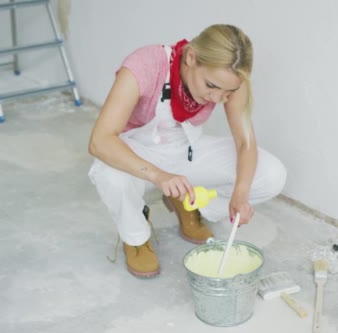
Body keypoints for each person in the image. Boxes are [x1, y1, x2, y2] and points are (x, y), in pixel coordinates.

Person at [88, 24, 286, 278]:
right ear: (191, 57)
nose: (217, 98)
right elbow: (100, 141)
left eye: (228, 92)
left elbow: (245, 143)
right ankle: (136, 237)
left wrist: (240, 194)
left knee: (271, 174)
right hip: (136, 151)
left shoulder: (233, 80)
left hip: (186, 149)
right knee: (109, 175)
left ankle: (190, 203)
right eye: (211, 85)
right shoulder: (144, 64)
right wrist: (160, 176)